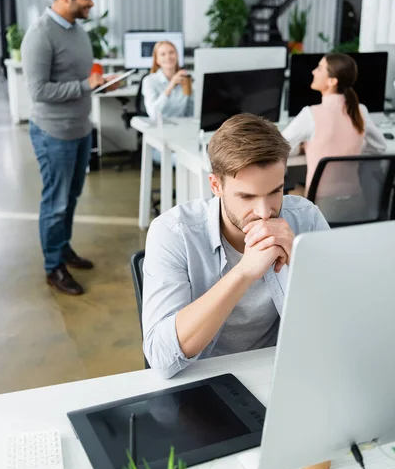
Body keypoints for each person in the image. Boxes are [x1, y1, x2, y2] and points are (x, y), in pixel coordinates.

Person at [142, 113, 329, 379]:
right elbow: (161, 359)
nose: (265, 212)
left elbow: (337, 327)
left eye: (276, 191)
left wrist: (300, 263)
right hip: (201, 380)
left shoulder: (305, 218)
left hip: (281, 373)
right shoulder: (173, 232)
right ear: (216, 185)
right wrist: (243, 273)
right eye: (247, 196)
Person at [21, 0, 109, 296]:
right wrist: (84, 85)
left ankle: (63, 248)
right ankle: (52, 266)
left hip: (80, 128)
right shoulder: (40, 35)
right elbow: (39, 91)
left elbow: (78, 76)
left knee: (70, 198)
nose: (91, 2)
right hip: (53, 132)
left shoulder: (76, 29)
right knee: (56, 202)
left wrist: (97, 82)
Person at [282, 53, 387, 193]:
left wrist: (299, 148)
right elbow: (380, 147)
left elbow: (279, 147)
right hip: (355, 201)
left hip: (319, 206)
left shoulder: (310, 114)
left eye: (319, 68)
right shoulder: (360, 110)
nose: (313, 71)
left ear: (332, 81)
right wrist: (352, 147)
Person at [142, 41, 193, 120]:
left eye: (171, 52)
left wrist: (191, 88)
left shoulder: (184, 78)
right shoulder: (149, 81)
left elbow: (191, 113)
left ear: (177, 55)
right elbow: (154, 114)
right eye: (163, 54)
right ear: (157, 60)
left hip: (181, 127)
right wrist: (170, 86)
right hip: (159, 128)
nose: (168, 57)